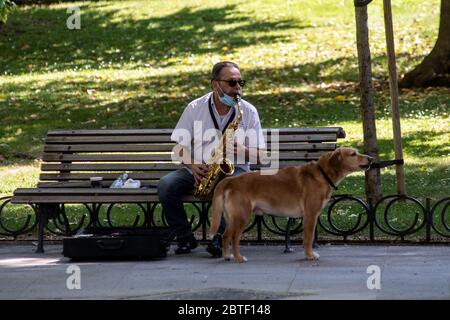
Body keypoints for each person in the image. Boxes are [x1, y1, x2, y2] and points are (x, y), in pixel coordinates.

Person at [157, 61, 265, 257]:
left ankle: (219, 239)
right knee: (166, 185)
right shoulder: (195, 108)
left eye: (241, 82)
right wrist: (192, 164)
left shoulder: (248, 111)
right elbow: (179, 147)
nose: (238, 88)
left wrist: (243, 150)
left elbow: (261, 154)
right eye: (232, 83)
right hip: (199, 168)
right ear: (215, 85)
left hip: (235, 169)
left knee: (227, 186)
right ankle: (185, 238)